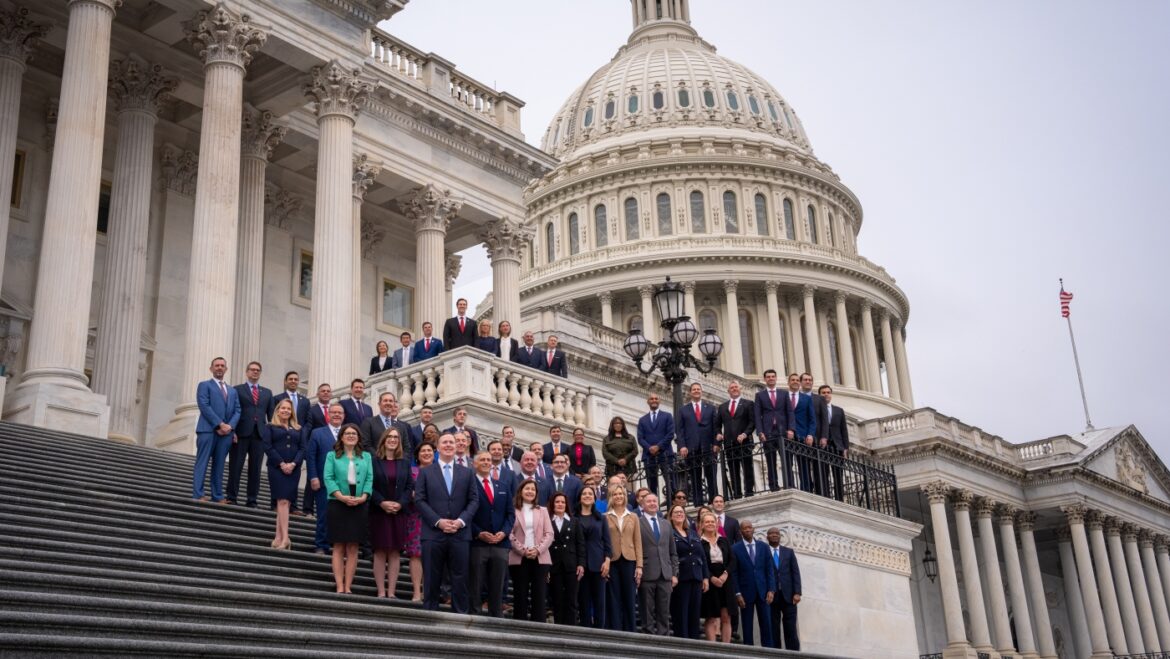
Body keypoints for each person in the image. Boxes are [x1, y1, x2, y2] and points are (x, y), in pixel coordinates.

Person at [415, 432, 479, 612]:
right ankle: (430, 615)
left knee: (460, 577)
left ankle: (460, 615)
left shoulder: (467, 472)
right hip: (433, 533)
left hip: (460, 534)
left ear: (459, 446)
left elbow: (474, 500)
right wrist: (438, 521)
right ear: (437, 447)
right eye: (445, 442)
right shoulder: (426, 472)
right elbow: (419, 500)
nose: (449, 445)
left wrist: (460, 521)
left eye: (452, 442)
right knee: (431, 577)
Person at [322, 423, 372, 594]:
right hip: (337, 502)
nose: (351, 436)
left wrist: (364, 496)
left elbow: (369, 479)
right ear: (341, 437)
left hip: (359, 503)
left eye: (354, 434)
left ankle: (348, 585)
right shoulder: (332, 456)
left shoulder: (366, 456)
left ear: (358, 437)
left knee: (353, 547)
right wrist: (340, 496)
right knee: (338, 546)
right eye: (347, 433)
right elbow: (328, 477)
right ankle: (339, 584)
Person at [370, 427, 414, 598]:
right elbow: (369, 484)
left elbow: (410, 486)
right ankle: (381, 591)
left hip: (398, 511)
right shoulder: (374, 461)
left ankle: (392, 591)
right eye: (390, 437)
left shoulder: (404, 463)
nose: (393, 440)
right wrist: (381, 502)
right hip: (378, 511)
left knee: (395, 551)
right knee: (380, 550)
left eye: (396, 437)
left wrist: (400, 503)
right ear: (384, 439)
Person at [470, 452, 513, 617]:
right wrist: (478, 533)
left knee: (498, 585)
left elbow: (510, 514)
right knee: (476, 584)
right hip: (478, 543)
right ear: (474, 464)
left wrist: (504, 532)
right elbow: (465, 512)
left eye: (489, 460)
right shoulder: (469, 484)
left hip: (500, 544)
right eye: (482, 459)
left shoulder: (502, 486)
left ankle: (497, 617)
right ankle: (474, 616)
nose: (486, 462)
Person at [192, 357, 240, 504]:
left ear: (226, 369)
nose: (219, 368)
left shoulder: (232, 391)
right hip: (207, 431)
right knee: (202, 462)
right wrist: (219, 424)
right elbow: (204, 405)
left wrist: (229, 427)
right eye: (217, 365)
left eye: (222, 366)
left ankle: (217, 496)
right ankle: (198, 493)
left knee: (219, 465)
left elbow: (238, 410)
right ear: (211, 368)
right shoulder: (204, 385)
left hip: (226, 434)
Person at [509, 479, 553, 622]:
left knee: (539, 595)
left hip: (540, 557)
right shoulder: (513, 509)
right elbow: (509, 533)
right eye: (527, 489)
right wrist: (523, 550)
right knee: (520, 594)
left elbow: (549, 534)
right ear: (521, 491)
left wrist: (537, 549)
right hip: (519, 557)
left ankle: (538, 628)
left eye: (533, 489)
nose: (530, 492)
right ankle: (519, 627)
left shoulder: (543, 511)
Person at [261, 398, 303, 549]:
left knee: (285, 503)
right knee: (282, 501)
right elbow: (267, 447)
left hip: (294, 468)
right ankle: (285, 537)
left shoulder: (298, 428)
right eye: (283, 408)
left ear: (292, 412)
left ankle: (278, 537)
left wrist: (293, 463)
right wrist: (281, 463)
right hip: (277, 468)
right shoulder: (270, 426)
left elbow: (302, 448)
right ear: (278, 410)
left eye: (288, 409)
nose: (285, 411)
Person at [228, 360, 270, 507]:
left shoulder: (267, 393)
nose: (255, 372)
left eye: (258, 370)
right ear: (247, 372)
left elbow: (271, 417)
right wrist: (231, 430)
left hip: (259, 435)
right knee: (235, 466)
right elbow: (231, 411)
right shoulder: (237, 390)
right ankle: (231, 496)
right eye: (252, 369)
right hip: (240, 433)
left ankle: (252, 499)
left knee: (256, 469)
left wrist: (269, 436)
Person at [306, 403, 344, 555]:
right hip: (322, 481)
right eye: (333, 412)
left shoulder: (349, 433)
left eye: (339, 413)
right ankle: (321, 544)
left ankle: (337, 544)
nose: (336, 415)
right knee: (323, 514)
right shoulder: (317, 433)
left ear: (343, 416)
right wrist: (313, 476)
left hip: (344, 484)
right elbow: (310, 456)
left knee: (341, 515)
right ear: (328, 415)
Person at [604, 484, 643, 632]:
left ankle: (630, 631)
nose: (618, 497)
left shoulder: (633, 516)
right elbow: (604, 542)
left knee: (629, 598)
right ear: (611, 498)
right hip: (613, 561)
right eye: (615, 494)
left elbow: (638, 542)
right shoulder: (605, 517)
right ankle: (616, 630)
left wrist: (639, 566)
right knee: (614, 598)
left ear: (625, 496)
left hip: (629, 560)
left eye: (621, 494)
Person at [637, 493, 677, 636]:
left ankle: (664, 640)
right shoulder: (637, 522)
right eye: (649, 501)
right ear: (643, 504)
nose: (653, 503)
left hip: (665, 574)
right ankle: (648, 641)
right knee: (647, 612)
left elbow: (673, 552)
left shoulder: (666, 524)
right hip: (647, 573)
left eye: (655, 501)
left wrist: (674, 573)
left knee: (664, 612)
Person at [732, 520, 775, 648]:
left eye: (750, 527)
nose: (748, 530)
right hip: (745, 593)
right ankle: (748, 651)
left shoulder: (764, 547)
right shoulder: (735, 548)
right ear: (740, 532)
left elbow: (769, 569)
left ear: (754, 529)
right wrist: (738, 593)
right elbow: (734, 573)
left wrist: (771, 590)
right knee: (747, 625)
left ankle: (768, 651)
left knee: (766, 623)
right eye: (745, 528)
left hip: (763, 592)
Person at [669, 503, 708, 639]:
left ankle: (694, 642)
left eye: (681, 512)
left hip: (696, 577)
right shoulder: (669, 532)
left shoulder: (692, 533)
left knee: (694, 613)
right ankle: (683, 642)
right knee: (681, 613)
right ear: (671, 517)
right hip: (681, 578)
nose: (679, 514)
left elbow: (701, 556)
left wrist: (705, 577)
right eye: (676, 513)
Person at [676, 382, 718, 505]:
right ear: (690, 392)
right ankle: (698, 502)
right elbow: (680, 430)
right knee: (695, 475)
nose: (696, 391)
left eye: (698, 389)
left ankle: (713, 499)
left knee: (711, 474)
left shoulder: (710, 408)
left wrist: (716, 443)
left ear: (701, 391)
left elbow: (716, 427)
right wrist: (682, 445)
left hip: (708, 445)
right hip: (691, 447)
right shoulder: (683, 410)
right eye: (693, 389)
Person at [547, 491, 584, 625]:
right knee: (557, 599)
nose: (560, 504)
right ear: (552, 504)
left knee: (572, 600)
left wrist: (581, 564)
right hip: (554, 565)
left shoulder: (574, 522)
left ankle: (572, 631)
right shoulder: (547, 520)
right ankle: (559, 629)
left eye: (563, 502)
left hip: (571, 565)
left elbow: (580, 544)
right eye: (557, 502)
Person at [576, 486, 611, 628]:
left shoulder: (601, 518)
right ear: (580, 497)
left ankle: (600, 634)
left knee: (600, 603)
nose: (587, 496)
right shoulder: (574, 517)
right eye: (584, 493)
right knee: (583, 601)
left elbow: (607, 542)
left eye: (590, 494)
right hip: (580, 564)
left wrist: (607, 561)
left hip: (598, 564)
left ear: (594, 498)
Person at [699, 511, 736, 642]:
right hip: (709, 580)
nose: (710, 524)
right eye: (707, 522)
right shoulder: (699, 542)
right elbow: (700, 563)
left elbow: (732, 560)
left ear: (716, 524)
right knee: (711, 616)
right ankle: (712, 649)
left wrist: (725, 574)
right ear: (702, 525)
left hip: (725, 579)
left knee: (726, 616)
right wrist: (711, 577)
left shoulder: (724, 540)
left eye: (712, 522)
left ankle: (727, 648)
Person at [753, 369, 792, 492]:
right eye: (768, 377)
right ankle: (773, 486)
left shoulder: (784, 394)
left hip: (783, 431)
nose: (770, 378)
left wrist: (791, 429)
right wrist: (760, 432)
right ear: (765, 379)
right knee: (770, 461)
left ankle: (789, 484)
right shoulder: (760, 395)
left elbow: (789, 412)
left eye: (773, 376)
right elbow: (757, 415)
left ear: (775, 378)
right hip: (768, 432)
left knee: (787, 460)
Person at [405, 442, 435, 601]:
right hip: (415, 517)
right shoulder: (411, 471)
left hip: (435, 518)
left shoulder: (439, 472)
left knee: (432, 555)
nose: (426, 453)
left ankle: (429, 592)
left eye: (429, 450)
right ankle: (417, 591)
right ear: (417, 455)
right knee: (416, 554)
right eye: (423, 451)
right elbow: (406, 490)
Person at [717, 380, 755, 499]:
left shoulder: (748, 404)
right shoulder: (722, 407)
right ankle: (737, 494)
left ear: (740, 389)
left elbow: (752, 422)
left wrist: (745, 434)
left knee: (747, 468)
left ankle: (749, 492)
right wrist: (718, 433)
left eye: (736, 387)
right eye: (732, 387)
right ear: (728, 391)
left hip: (744, 442)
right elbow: (717, 424)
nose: (734, 389)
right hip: (729, 444)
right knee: (733, 470)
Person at [767, 526, 802, 651]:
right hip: (772, 596)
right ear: (767, 537)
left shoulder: (789, 552)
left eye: (777, 533)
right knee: (773, 628)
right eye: (771, 534)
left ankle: (794, 654)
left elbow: (795, 572)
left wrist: (797, 592)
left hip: (789, 596)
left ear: (780, 536)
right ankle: (776, 653)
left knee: (790, 628)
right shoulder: (764, 552)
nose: (774, 535)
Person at [637, 393, 675, 501]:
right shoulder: (642, 420)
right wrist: (649, 448)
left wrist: (658, 446)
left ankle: (672, 502)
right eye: (651, 399)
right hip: (649, 455)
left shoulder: (667, 416)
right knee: (651, 483)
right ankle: (654, 503)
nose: (654, 400)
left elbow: (670, 434)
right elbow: (640, 438)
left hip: (665, 453)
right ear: (648, 401)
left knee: (670, 480)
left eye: (656, 398)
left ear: (659, 401)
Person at [818, 384, 850, 502]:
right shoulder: (817, 409)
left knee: (838, 474)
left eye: (828, 392)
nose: (826, 394)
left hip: (837, 445)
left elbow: (844, 430)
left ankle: (839, 498)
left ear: (831, 394)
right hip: (824, 444)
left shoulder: (839, 410)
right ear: (820, 395)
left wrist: (846, 448)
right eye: (823, 393)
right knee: (824, 473)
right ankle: (826, 497)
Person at [788, 372, 818, 493]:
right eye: (792, 380)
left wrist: (810, 434)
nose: (795, 382)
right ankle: (789, 486)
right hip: (788, 435)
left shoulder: (807, 399)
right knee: (788, 462)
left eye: (797, 380)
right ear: (788, 382)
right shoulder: (784, 397)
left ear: (799, 383)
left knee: (803, 464)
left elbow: (812, 419)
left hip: (802, 436)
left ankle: (806, 488)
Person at [602, 415, 638, 481]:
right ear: (612, 425)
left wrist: (625, 459)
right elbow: (605, 453)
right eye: (616, 423)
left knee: (629, 489)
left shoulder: (630, 437)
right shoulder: (607, 439)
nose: (618, 425)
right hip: (612, 469)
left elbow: (635, 451)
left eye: (620, 423)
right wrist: (617, 461)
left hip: (629, 468)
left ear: (623, 425)